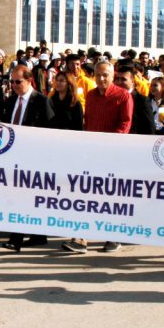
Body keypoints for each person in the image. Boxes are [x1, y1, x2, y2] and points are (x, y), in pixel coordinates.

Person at [62, 60, 132, 254]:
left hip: (113, 155)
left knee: (111, 198)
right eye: (98, 75)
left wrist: (107, 145)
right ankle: (81, 238)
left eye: (105, 75)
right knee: (86, 195)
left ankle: (114, 236)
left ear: (112, 75)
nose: (101, 79)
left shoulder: (123, 96)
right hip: (91, 154)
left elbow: (125, 125)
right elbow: (88, 123)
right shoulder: (91, 95)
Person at [1, 65, 54, 252]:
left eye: (18, 81)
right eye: (12, 81)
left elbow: (50, 130)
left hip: (34, 159)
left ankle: (15, 238)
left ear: (29, 80)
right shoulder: (11, 101)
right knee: (19, 197)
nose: (14, 85)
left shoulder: (41, 101)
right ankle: (38, 236)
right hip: (13, 158)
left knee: (24, 198)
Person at [114, 64, 154, 135]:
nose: (119, 82)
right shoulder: (112, 98)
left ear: (132, 81)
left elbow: (149, 129)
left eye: (123, 79)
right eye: (117, 79)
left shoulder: (142, 101)